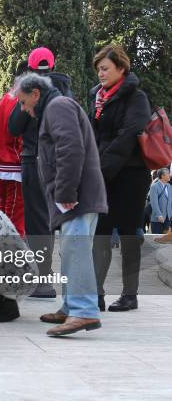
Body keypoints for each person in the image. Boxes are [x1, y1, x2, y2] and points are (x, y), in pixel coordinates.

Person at [14, 72, 108, 336]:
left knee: (75, 251)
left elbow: (70, 148)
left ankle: (83, 311)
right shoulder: (57, 106)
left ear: (35, 94)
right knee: (71, 250)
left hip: (76, 195)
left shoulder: (57, 107)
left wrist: (65, 192)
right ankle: (71, 306)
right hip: (79, 194)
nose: (23, 108)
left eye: (23, 102)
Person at [89, 45, 153, 313]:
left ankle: (130, 294)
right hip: (103, 173)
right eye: (98, 69)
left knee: (129, 235)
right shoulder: (96, 97)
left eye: (105, 68)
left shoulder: (136, 97)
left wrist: (101, 169)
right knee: (100, 234)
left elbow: (128, 135)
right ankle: (97, 293)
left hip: (130, 174)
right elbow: (91, 134)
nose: (100, 73)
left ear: (121, 68)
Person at [8, 48, 73, 298]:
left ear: (30, 68)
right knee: (57, 220)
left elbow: (14, 126)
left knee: (37, 222)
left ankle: (42, 280)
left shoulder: (30, 89)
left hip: (35, 161)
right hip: (60, 163)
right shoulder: (66, 89)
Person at [0, 63, 27, 236]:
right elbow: (20, 134)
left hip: (3, 164)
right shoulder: (19, 100)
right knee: (15, 219)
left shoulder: (6, 97)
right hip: (14, 164)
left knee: (4, 212)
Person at [150, 168, 172, 233]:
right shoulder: (154, 186)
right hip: (157, 219)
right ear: (162, 176)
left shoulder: (169, 186)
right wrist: (159, 215)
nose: (169, 175)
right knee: (157, 240)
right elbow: (154, 203)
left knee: (166, 241)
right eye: (168, 174)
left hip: (168, 218)